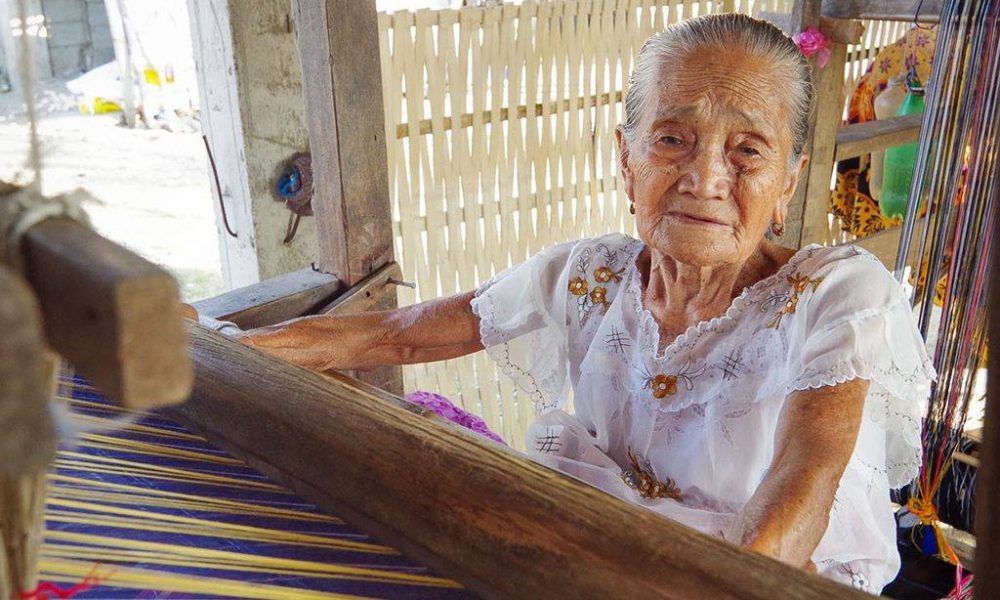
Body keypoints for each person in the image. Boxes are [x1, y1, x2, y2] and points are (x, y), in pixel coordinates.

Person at [232, 14, 934, 593]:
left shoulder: (835, 293)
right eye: (672, 139)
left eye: (748, 151)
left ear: (788, 183)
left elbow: (805, 475)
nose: (705, 178)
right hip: (605, 554)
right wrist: (213, 352)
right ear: (626, 161)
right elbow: (397, 335)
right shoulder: (591, 274)